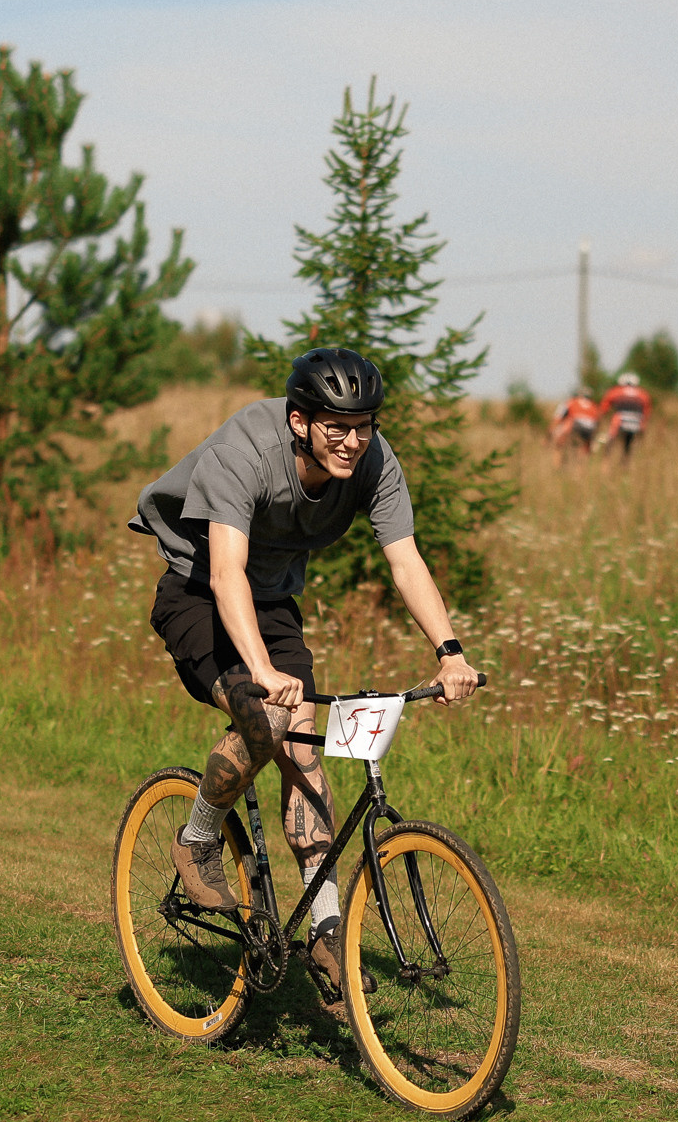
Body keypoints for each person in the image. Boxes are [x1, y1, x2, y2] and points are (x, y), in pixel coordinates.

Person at [130, 347, 482, 1016]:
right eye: (335, 427)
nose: (352, 441)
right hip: (198, 592)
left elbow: (404, 560)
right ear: (299, 421)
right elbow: (226, 572)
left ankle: (324, 934)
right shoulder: (247, 450)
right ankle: (197, 839)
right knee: (264, 721)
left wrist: (449, 651)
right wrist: (261, 672)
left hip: (272, 603)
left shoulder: (374, 462)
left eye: (364, 425)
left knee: (305, 755)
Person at [598, 372, 650, 461]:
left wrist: (601, 417)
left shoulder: (616, 391)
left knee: (611, 439)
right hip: (636, 422)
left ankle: (606, 462)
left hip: (620, 419)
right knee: (628, 444)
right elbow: (646, 412)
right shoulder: (643, 394)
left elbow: (604, 407)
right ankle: (625, 464)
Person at [549, 388, 600, 463]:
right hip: (590, 429)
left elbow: (558, 418)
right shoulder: (594, 406)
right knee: (583, 448)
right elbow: (597, 422)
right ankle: (580, 468)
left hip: (575, 425)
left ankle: (557, 464)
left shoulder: (571, 402)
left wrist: (549, 433)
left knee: (559, 444)